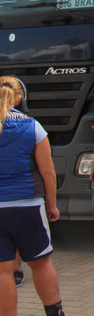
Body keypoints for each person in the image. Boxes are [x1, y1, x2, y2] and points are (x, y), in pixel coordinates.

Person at [0, 83, 66, 316]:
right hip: (28, 204)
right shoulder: (32, 126)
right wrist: (52, 205)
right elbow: (48, 171)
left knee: (3, 271)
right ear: (18, 100)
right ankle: (55, 312)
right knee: (40, 262)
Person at [0, 77, 29, 290]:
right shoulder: (30, 126)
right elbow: (46, 169)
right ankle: (15, 270)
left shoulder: (25, 123)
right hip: (23, 194)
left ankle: (13, 269)